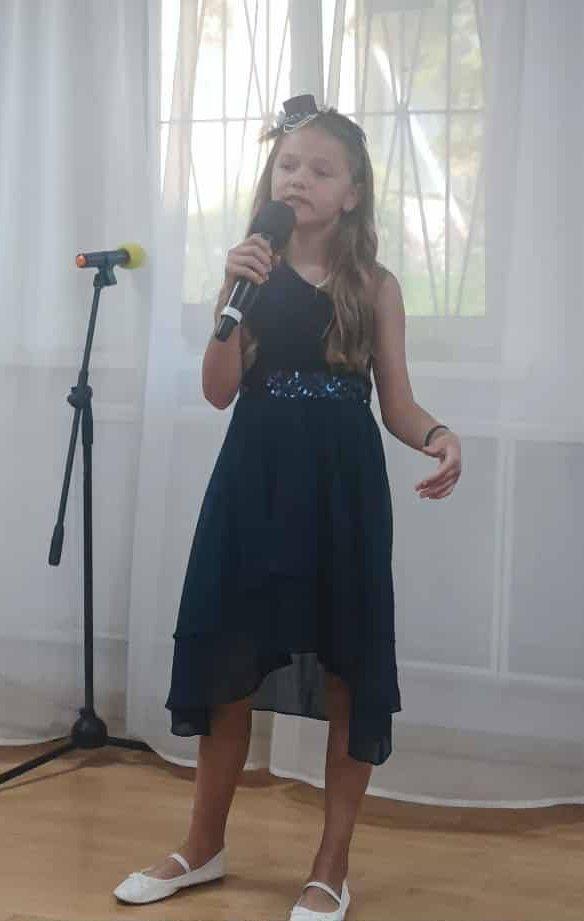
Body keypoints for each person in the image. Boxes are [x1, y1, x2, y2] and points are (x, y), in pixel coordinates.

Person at [114, 94, 462, 915]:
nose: (299, 179)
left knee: (347, 672)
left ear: (353, 192)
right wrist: (230, 299)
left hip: (341, 495)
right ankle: (203, 844)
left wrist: (439, 434)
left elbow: (397, 402)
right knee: (228, 660)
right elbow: (217, 390)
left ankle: (331, 865)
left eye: (321, 169)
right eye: (288, 165)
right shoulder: (252, 276)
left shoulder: (375, 287)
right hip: (253, 487)